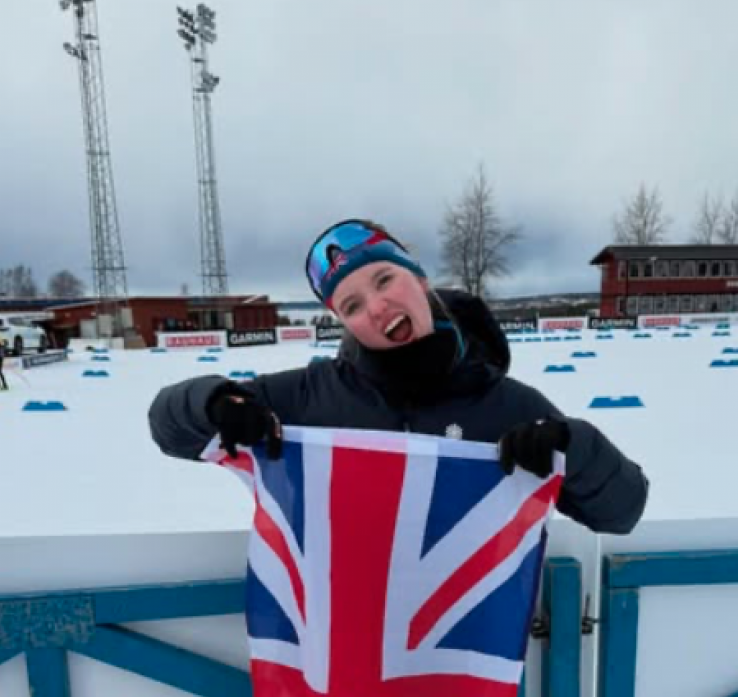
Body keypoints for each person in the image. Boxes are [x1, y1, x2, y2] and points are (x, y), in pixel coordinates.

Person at [149, 219, 648, 534]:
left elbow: (621, 512)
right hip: (343, 667)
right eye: (352, 304)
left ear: (420, 279)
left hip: (472, 674)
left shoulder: (512, 407)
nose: (377, 305)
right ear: (342, 323)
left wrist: (573, 446)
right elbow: (169, 428)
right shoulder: (305, 399)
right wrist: (213, 404)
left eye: (384, 279)